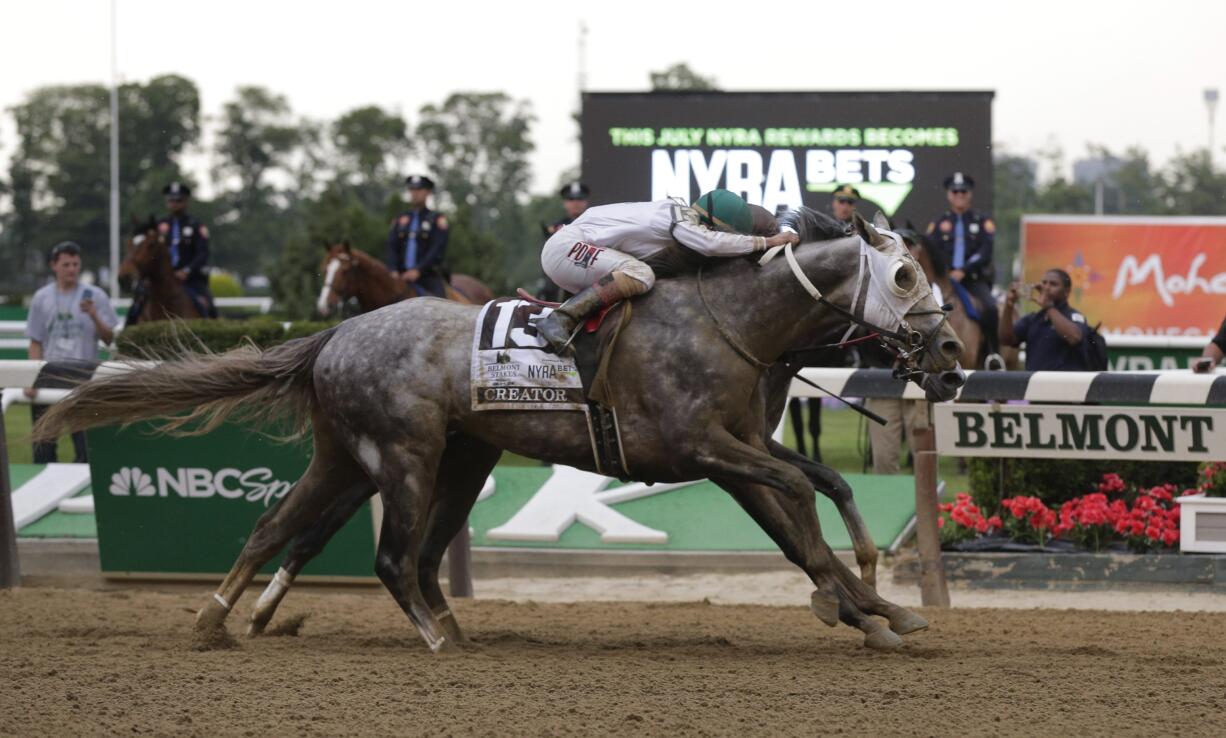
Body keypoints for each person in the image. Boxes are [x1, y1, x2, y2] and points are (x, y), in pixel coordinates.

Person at [535, 189, 799, 352]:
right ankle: (561, 318)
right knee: (641, 274)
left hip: (575, 250)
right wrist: (768, 242)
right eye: (723, 232)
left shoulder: (673, 213)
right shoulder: (679, 216)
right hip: (566, 248)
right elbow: (709, 243)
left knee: (643, 285)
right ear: (713, 222)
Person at [24, 242, 118, 463]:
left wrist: (94, 315)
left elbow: (110, 338)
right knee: (43, 446)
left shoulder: (96, 295)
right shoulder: (41, 297)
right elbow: (35, 341)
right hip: (49, 373)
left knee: (86, 448)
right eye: (66, 264)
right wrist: (31, 378)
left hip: (84, 376)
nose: (72, 269)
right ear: (54, 266)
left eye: (76, 264)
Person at [864, 227, 928, 473]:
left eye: (909, 246)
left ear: (918, 251)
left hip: (919, 380)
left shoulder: (931, 288)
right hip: (882, 377)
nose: (905, 252)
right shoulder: (873, 287)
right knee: (883, 459)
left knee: (923, 455)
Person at [926, 172, 1001, 366]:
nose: (959, 194)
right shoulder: (937, 224)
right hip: (945, 281)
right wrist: (949, 271)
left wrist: (964, 270)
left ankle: (993, 354)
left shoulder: (983, 222)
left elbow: (985, 252)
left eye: (963, 191)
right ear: (949, 195)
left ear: (969, 194)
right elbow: (933, 252)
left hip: (973, 280)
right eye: (955, 191)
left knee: (991, 309)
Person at [1000, 268, 1090, 371]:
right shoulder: (1032, 319)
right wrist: (1009, 305)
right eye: (1044, 283)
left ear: (1067, 291)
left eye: (1053, 284)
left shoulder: (1074, 316)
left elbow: (1074, 337)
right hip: (1034, 385)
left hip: (1064, 385)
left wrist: (1049, 307)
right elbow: (1006, 339)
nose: (1046, 288)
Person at [159, 181, 216, 317]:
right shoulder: (161, 226)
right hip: (164, 278)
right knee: (139, 303)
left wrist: (186, 271)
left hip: (190, 279)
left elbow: (203, 253)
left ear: (185, 202)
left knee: (208, 307)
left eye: (178, 200)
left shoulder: (196, 226)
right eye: (170, 200)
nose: (174, 203)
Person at [387, 175, 450, 299]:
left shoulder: (436, 220)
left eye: (419, 190)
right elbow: (391, 246)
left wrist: (418, 270)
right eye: (412, 190)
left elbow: (437, 249)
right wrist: (393, 269)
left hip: (427, 276)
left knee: (440, 308)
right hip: (400, 276)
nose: (414, 194)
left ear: (428, 193)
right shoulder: (401, 219)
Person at [538, 182, 592, 302]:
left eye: (580, 199)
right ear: (565, 203)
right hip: (560, 279)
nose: (576, 203)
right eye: (571, 199)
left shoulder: (595, 224)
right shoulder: (554, 228)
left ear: (586, 202)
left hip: (589, 275)